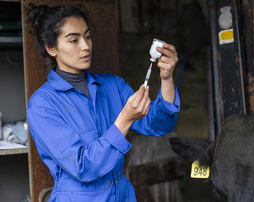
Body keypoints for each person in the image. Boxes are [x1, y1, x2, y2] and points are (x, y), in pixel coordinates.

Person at [25, 3, 180, 202]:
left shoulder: (113, 85)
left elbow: (160, 124)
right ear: (51, 48)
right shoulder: (42, 105)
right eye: (74, 40)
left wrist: (166, 78)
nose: (86, 46)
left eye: (87, 36)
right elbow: (83, 167)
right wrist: (124, 120)